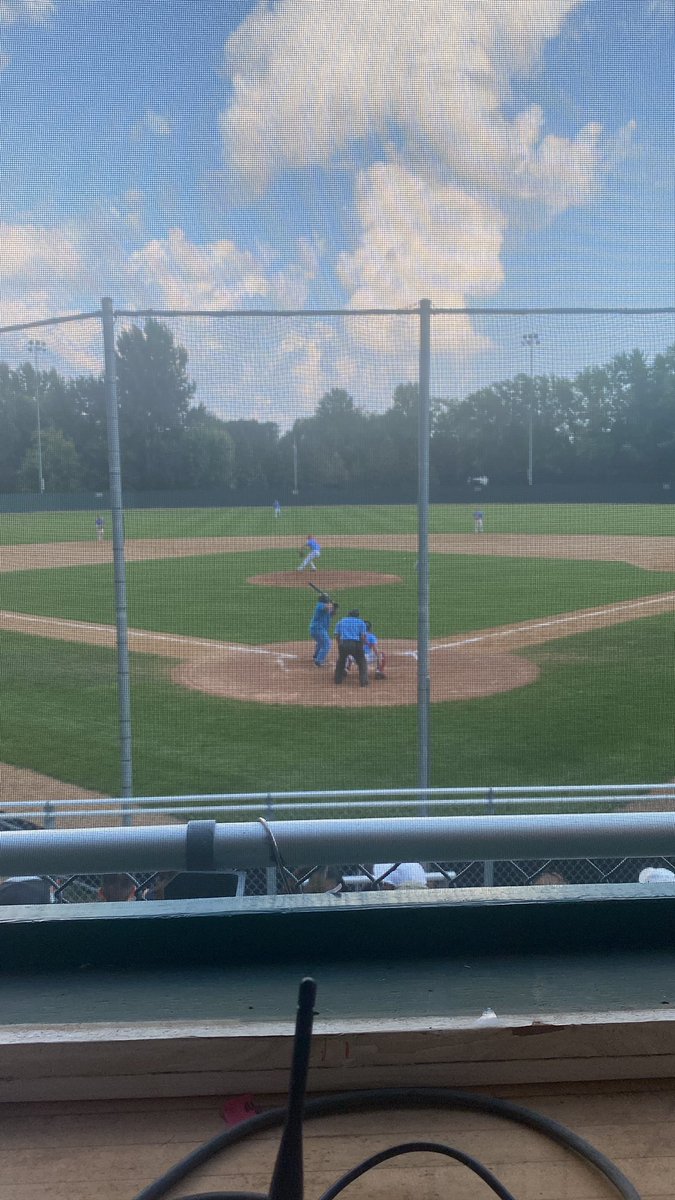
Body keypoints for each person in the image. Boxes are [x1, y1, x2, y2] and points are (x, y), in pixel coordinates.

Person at [334, 609, 368, 686]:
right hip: (356, 644)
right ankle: (364, 682)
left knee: (341, 661)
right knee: (362, 662)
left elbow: (337, 635)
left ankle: (338, 680)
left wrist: (339, 644)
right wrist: (361, 646)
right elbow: (362, 636)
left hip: (344, 643)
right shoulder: (361, 622)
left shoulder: (342, 621)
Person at [309, 592, 336, 666]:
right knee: (327, 644)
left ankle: (316, 656)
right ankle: (319, 661)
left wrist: (335, 608)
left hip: (319, 629)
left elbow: (332, 613)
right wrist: (332, 604)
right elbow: (327, 608)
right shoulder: (320, 605)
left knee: (321, 642)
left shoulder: (326, 607)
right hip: (318, 629)